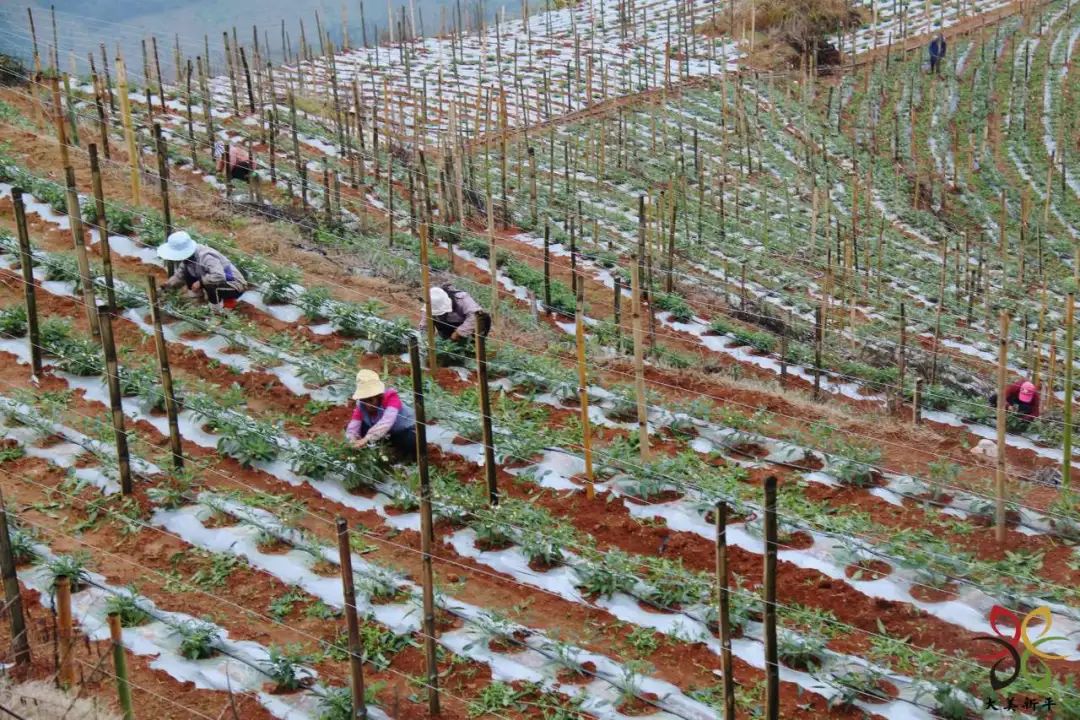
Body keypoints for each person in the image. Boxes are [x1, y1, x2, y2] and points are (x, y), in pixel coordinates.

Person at [158, 231, 248, 310]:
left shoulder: (206, 256)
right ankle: (198, 302)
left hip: (233, 284)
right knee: (187, 272)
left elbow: (219, 275)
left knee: (209, 283)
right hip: (218, 283)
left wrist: (200, 282)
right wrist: (166, 286)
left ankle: (216, 312)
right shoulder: (189, 259)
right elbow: (179, 275)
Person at [346, 369, 416, 461]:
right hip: (382, 434)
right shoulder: (361, 405)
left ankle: (406, 459)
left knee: (411, 438)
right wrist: (352, 440)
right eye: (364, 400)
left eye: (370, 400)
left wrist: (366, 439)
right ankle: (370, 455)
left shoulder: (391, 398)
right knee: (359, 428)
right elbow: (353, 426)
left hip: (402, 430)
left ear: (379, 396)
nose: (367, 404)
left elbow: (386, 422)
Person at [420, 285, 486, 342]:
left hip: (466, 325)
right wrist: (426, 340)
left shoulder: (462, 299)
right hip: (447, 326)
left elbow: (475, 315)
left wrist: (459, 332)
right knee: (447, 345)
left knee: (471, 346)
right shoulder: (431, 303)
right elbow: (424, 325)